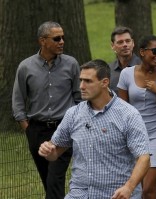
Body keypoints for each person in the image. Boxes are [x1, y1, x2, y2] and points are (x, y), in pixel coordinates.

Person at [38, 59, 150, 199]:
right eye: (81, 80)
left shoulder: (128, 114)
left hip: (116, 195)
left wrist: (129, 187)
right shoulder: (73, 114)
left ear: (104, 82)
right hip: (80, 194)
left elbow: (144, 158)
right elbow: (54, 153)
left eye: (88, 81)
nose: (81, 86)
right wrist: (48, 150)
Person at [12, 21, 81, 199]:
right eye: (57, 38)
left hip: (64, 129)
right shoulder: (25, 67)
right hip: (37, 130)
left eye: (63, 38)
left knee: (55, 177)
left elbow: (78, 97)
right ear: (43, 41)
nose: (62, 42)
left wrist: (74, 124)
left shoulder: (71, 64)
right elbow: (18, 100)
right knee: (47, 178)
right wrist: (27, 128)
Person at [117, 35, 156, 199]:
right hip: (134, 136)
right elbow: (122, 109)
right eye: (155, 51)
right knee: (137, 189)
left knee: (148, 188)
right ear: (142, 52)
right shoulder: (126, 74)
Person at [109, 26, 141, 94]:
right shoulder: (109, 70)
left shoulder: (144, 67)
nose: (125, 45)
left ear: (133, 43)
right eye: (120, 42)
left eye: (128, 41)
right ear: (112, 46)